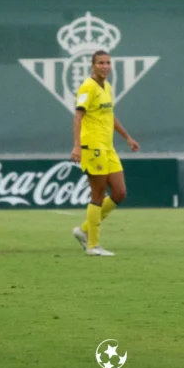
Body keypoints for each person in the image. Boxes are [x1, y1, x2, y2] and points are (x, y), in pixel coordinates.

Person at [69, 50, 140, 257]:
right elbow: (78, 117)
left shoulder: (107, 87)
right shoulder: (87, 87)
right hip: (92, 146)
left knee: (119, 193)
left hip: (108, 147)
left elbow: (110, 116)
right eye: (101, 63)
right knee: (98, 194)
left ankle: (83, 230)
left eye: (108, 62)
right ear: (93, 65)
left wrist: (127, 137)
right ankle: (93, 245)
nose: (105, 66)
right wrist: (76, 146)